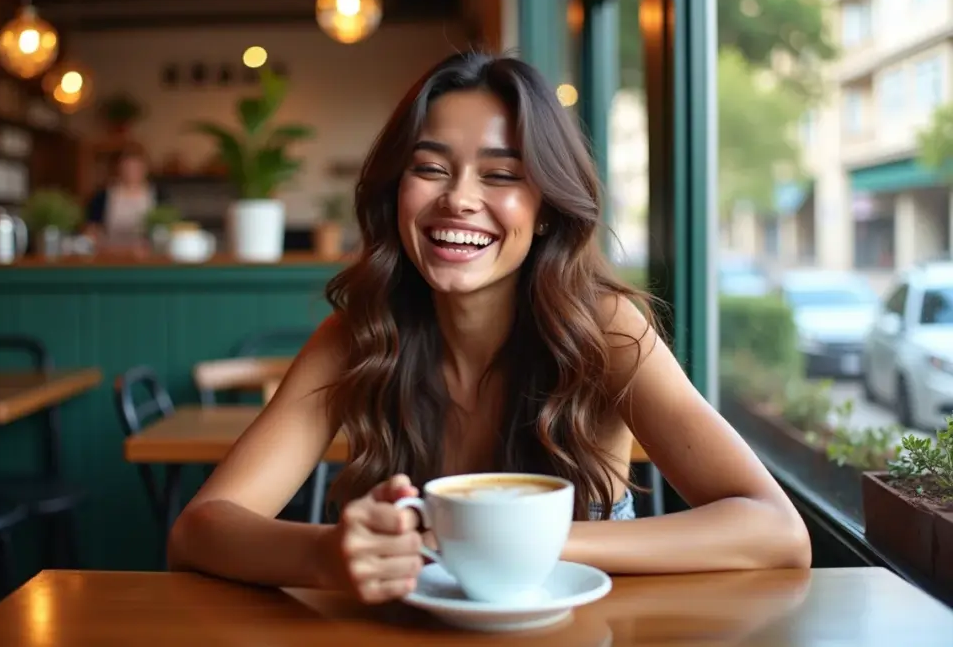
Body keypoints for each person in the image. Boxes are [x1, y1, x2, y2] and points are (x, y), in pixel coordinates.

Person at [168, 52, 811, 602]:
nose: (459, 198)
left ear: (548, 211)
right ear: (396, 192)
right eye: (430, 168)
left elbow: (775, 531)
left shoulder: (608, 329)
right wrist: (326, 557)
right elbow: (199, 529)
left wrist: (511, 538)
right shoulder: (356, 337)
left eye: (502, 175)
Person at [84, 143, 167, 249]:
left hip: (147, 254)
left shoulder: (159, 195)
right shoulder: (102, 196)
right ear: (119, 168)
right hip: (109, 253)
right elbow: (91, 227)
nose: (132, 172)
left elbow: (165, 228)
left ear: (145, 168)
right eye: (128, 167)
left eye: (136, 168)